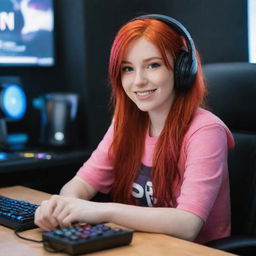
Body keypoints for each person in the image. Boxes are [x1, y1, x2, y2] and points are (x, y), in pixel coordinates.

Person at [34, 14, 235, 244]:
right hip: (142, 246)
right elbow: (81, 184)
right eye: (127, 69)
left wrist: (104, 211)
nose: (138, 81)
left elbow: (187, 224)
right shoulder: (125, 124)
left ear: (182, 69)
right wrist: (63, 207)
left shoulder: (206, 131)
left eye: (153, 65)